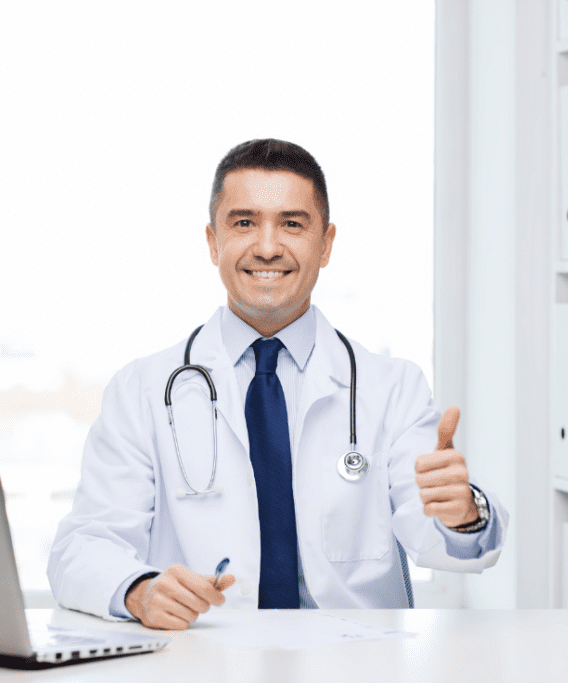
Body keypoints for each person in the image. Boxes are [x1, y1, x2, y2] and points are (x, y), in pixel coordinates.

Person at [48, 139, 508, 630]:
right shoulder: (142, 390)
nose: (267, 248)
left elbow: (438, 533)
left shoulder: (393, 389)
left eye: (292, 223)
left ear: (326, 243)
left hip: (356, 665)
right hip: (202, 663)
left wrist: (463, 512)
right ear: (212, 241)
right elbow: (84, 546)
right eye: (244, 223)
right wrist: (139, 591)